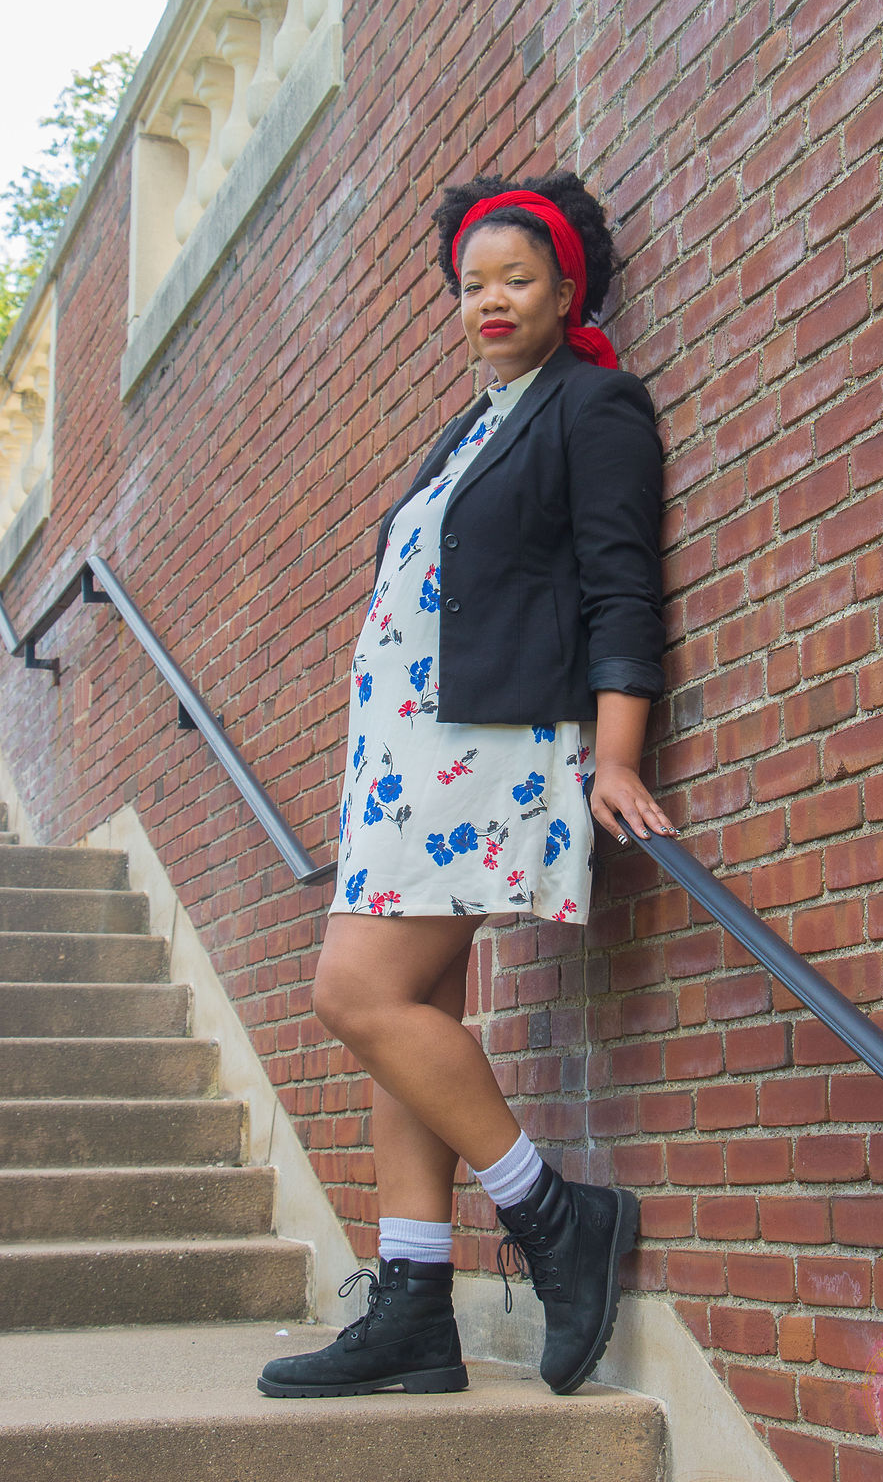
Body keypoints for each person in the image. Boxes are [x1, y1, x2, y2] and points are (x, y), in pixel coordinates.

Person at [258, 171, 675, 1402]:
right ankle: (414, 1306)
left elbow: (621, 584)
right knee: (409, 1027)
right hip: (400, 762)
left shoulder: (594, 407)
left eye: (516, 280)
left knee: (354, 991)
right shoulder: (473, 426)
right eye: (471, 283)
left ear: (565, 289)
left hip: (486, 750)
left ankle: (552, 1216)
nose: (489, 301)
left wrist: (615, 751)